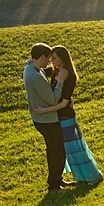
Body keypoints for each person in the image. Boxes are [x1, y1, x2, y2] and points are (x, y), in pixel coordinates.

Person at [32, 45, 103, 187]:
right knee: (65, 149)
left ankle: (93, 176)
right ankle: (76, 177)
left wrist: (45, 110)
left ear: (63, 59)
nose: (51, 60)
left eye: (54, 58)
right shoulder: (54, 70)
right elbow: (38, 70)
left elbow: (64, 103)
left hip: (66, 117)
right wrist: (30, 62)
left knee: (75, 148)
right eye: (50, 57)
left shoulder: (70, 76)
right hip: (57, 117)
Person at [23, 43, 71, 192]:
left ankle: (56, 180)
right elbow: (53, 99)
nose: (49, 62)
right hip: (48, 120)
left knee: (52, 150)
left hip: (40, 119)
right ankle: (54, 184)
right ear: (41, 57)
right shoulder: (36, 77)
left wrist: (29, 61)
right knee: (57, 151)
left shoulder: (29, 68)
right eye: (48, 59)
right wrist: (61, 82)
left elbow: (31, 64)